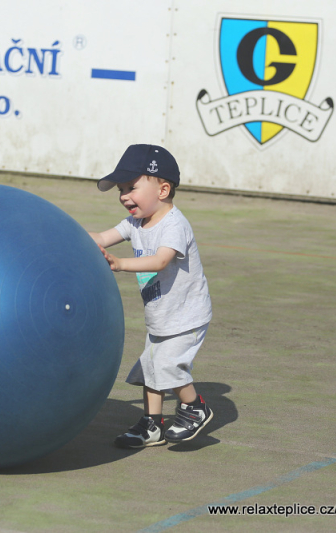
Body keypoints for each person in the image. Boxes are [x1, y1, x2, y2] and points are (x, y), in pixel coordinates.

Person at [88, 144, 213, 447]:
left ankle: (195, 407)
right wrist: (68, 234)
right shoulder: (135, 223)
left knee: (167, 365)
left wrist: (120, 263)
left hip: (186, 315)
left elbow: (160, 261)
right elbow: (102, 237)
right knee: (151, 368)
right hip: (161, 313)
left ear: (163, 189)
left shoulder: (174, 224)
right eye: (121, 190)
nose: (123, 196)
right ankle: (152, 424)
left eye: (131, 187)